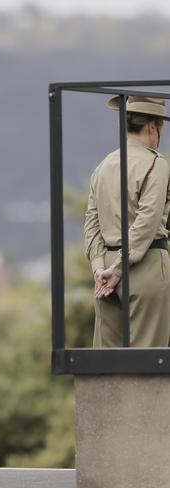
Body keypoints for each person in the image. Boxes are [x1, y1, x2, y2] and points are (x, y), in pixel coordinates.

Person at [84, 96, 170, 347]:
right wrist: (120, 269)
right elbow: (148, 221)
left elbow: (91, 221)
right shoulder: (156, 163)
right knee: (148, 362)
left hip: (105, 272)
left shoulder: (104, 165)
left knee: (107, 364)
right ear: (153, 127)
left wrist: (100, 268)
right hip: (146, 266)